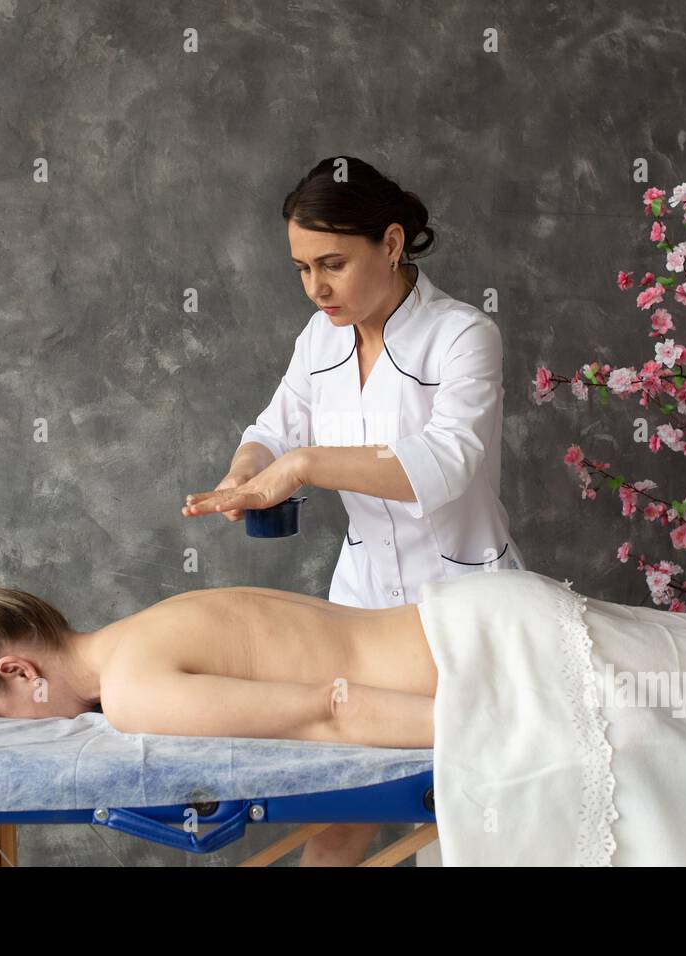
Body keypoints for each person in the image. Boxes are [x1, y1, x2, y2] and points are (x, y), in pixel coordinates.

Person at [180, 155, 525, 864]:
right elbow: (274, 427)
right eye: (303, 269)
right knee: (343, 806)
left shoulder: (463, 335)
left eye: (331, 264)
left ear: (392, 244)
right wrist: (245, 476)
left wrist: (303, 466)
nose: (316, 288)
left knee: (470, 804)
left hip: (461, 604)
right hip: (359, 608)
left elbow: (447, 463)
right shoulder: (320, 338)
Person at [0, 582, 438, 750]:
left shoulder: (131, 691)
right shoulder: (148, 623)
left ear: (19, 673)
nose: (19, 733)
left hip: (477, 663)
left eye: (3, 721)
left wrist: (503, 727)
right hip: (464, 618)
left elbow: (328, 711)